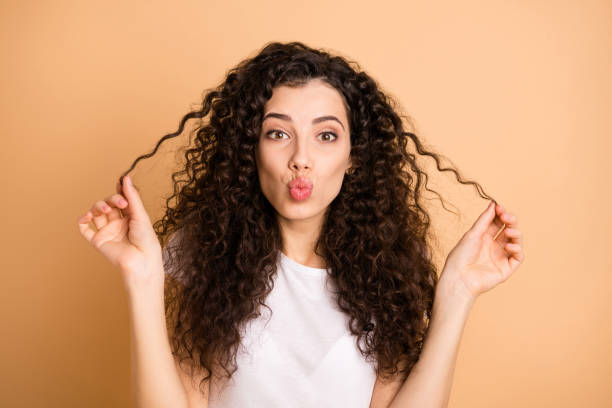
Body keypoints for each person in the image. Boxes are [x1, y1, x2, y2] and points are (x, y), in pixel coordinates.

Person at [77, 41, 524, 408]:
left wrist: (458, 294)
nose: (301, 159)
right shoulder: (207, 254)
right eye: (278, 133)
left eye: (326, 135)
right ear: (250, 150)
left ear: (353, 158)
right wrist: (142, 280)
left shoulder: (388, 272)